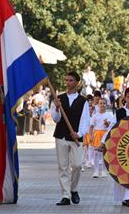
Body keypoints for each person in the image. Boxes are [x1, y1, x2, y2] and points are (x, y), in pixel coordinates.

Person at [100, 87, 129, 207]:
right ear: (125, 98)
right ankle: (126, 197)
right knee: (124, 171)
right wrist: (103, 142)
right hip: (122, 148)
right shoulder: (119, 112)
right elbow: (112, 128)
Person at [51, 71, 90, 206]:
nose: (68, 83)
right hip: (61, 136)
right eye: (66, 80)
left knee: (77, 165)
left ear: (77, 82)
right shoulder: (58, 99)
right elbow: (55, 119)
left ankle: (73, 189)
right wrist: (56, 108)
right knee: (63, 167)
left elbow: (86, 121)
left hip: (76, 138)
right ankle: (65, 195)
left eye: (71, 80)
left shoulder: (83, 101)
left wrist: (79, 134)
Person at [89, 98, 113, 178]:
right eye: (101, 103)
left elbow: (109, 126)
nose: (102, 105)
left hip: (105, 134)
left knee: (104, 154)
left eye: (104, 103)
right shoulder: (95, 115)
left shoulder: (109, 115)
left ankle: (103, 171)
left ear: (106, 105)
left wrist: (106, 123)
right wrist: (90, 135)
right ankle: (96, 171)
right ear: (98, 105)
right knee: (96, 153)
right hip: (96, 134)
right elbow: (91, 126)